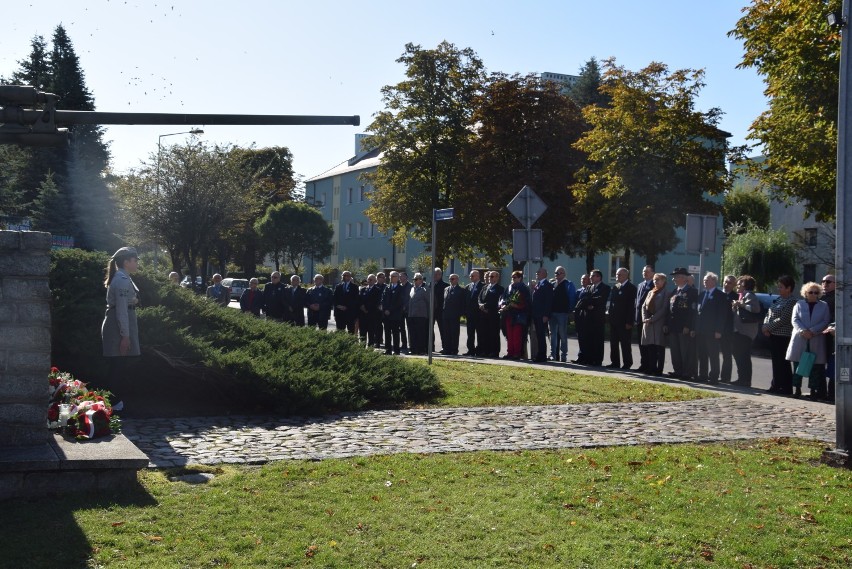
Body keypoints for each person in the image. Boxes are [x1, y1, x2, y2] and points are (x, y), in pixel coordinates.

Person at [101, 247, 140, 412]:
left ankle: (114, 402)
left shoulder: (123, 277)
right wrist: (125, 336)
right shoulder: (122, 279)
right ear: (126, 262)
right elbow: (122, 310)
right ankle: (114, 404)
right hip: (119, 327)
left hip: (120, 324)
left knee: (119, 365)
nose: (137, 263)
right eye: (135, 260)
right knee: (118, 366)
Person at [787, 281, 831, 399]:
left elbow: (825, 321)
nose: (813, 294)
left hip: (815, 337)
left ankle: (813, 391)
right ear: (805, 293)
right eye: (810, 292)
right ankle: (797, 390)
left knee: (815, 367)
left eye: (816, 292)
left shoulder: (824, 305)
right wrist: (803, 331)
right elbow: (794, 319)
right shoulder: (799, 304)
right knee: (797, 365)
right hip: (800, 338)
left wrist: (812, 331)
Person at [763, 275, 797, 395]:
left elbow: (784, 319)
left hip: (783, 336)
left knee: (783, 363)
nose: (779, 288)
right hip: (773, 335)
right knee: (775, 362)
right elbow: (769, 314)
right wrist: (765, 325)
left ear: (789, 288)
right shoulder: (778, 299)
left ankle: (786, 387)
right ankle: (776, 385)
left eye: (781, 287)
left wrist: (769, 327)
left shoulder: (792, 301)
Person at [695, 272, 728, 384]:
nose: (704, 281)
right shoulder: (702, 294)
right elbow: (698, 313)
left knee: (713, 355)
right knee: (702, 354)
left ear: (714, 281)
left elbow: (722, 315)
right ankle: (702, 375)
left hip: (713, 331)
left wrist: (719, 330)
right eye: (704, 280)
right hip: (701, 330)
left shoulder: (720, 295)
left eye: (707, 280)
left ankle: (714, 377)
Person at [666, 268, 698, 380]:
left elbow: (692, 311)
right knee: (675, 351)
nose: (673, 278)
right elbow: (670, 309)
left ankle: (687, 372)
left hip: (684, 327)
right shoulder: (675, 291)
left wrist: (688, 326)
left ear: (683, 278)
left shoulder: (692, 292)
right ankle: (678, 371)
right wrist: (667, 324)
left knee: (685, 351)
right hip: (673, 326)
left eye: (676, 276)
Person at [730, 275, 761, 387]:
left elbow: (755, 309)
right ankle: (741, 378)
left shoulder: (749, 295)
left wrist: (740, 304)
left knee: (744, 356)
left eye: (739, 283)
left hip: (745, 332)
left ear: (745, 285)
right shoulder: (741, 295)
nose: (737, 285)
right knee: (738, 355)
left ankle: (746, 380)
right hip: (739, 330)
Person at [577, 269, 609, 366]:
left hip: (598, 318)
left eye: (593, 276)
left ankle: (598, 360)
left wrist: (589, 301)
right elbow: (582, 300)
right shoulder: (589, 287)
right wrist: (588, 304)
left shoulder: (605, 288)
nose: (590, 278)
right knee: (589, 339)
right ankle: (589, 359)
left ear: (599, 277)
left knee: (598, 340)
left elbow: (600, 300)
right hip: (588, 319)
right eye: (590, 276)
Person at [606, 267, 637, 370]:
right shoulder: (615, 287)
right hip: (614, 320)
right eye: (616, 274)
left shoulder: (631, 288)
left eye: (619, 275)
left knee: (625, 344)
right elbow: (612, 304)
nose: (617, 276)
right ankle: (615, 362)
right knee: (613, 343)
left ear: (626, 275)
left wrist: (629, 321)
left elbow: (631, 306)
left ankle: (627, 363)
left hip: (624, 322)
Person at [641, 273, 669, 376]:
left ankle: (659, 369)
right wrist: (645, 318)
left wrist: (652, 319)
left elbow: (664, 309)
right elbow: (643, 306)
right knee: (650, 346)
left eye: (658, 280)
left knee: (659, 347)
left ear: (663, 281)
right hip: (648, 323)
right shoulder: (650, 292)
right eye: (654, 280)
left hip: (658, 323)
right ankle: (651, 367)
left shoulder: (666, 293)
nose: (655, 282)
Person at [500, 270, 531, 360]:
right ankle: (510, 352)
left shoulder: (524, 288)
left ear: (520, 278)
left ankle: (517, 353)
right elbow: (503, 298)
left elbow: (526, 302)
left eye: (515, 277)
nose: (513, 279)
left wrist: (517, 305)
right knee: (509, 335)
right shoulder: (509, 287)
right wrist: (503, 305)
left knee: (517, 335)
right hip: (509, 314)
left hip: (519, 315)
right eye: (512, 277)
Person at [549, 265, 576, 363]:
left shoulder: (568, 284)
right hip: (552, 313)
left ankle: (563, 355)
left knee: (563, 335)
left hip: (562, 313)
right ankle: (553, 355)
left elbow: (572, 298)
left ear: (564, 274)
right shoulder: (552, 284)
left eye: (558, 273)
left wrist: (569, 311)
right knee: (553, 335)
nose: (556, 274)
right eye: (555, 273)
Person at [478, 271, 505, 358]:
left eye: (492, 276)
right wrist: (481, 305)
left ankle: (494, 351)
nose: (490, 278)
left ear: (497, 278)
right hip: (483, 314)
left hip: (493, 314)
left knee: (493, 333)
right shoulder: (485, 287)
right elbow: (479, 297)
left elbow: (497, 301)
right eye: (489, 276)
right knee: (484, 333)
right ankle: (485, 350)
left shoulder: (500, 289)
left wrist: (486, 306)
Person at [634, 265, 655, 373]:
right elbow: (637, 302)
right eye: (643, 271)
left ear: (652, 273)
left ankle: (650, 366)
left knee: (649, 344)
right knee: (641, 344)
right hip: (639, 318)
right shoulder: (640, 285)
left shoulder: (654, 285)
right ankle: (643, 364)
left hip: (648, 318)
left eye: (647, 271)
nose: (644, 273)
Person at [531, 266, 553, 363]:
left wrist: (546, 315)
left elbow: (548, 301)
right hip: (536, 314)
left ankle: (542, 355)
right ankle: (540, 354)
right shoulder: (539, 284)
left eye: (538, 272)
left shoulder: (547, 285)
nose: (537, 273)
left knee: (541, 335)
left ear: (544, 274)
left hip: (542, 315)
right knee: (538, 335)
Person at [381, 271, 406, 355]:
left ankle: (396, 350)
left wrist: (390, 310)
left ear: (398, 278)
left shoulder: (401, 288)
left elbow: (399, 302)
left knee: (395, 333)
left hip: (395, 315)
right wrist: (385, 310)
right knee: (387, 333)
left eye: (394, 276)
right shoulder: (387, 288)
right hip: (386, 315)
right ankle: (388, 350)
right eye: (391, 276)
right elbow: (383, 300)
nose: (392, 278)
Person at [719, 275, 738, 382]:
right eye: (725, 282)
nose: (726, 284)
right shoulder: (718, 294)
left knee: (726, 354)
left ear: (734, 285)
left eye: (730, 283)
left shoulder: (736, 297)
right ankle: (713, 374)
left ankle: (725, 377)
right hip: (716, 328)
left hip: (728, 330)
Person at [821, 274, 837, 402]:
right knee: (820, 365)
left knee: (833, 367)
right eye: (823, 281)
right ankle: (822, 392)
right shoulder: (822, 297)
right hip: (821, 336)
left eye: (828, 282)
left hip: (832, 337)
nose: (825, 284)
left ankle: (832, 394)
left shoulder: (837, 298)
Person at [441, 274, 466, 355]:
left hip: (455, 315)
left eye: (452, 279)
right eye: (449, 279)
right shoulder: (446, 289)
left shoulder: (461, 290)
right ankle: (447, 349)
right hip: (446, 314)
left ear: (457, 280)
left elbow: (462, 303)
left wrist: (460, 313)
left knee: (454, 333)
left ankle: (454, 349)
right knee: (446, 332)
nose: (450, 280)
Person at [573, 273, 592, 364]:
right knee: (580, 338)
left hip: (587, 319)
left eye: (585, 279)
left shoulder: (590, 291)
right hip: (579, 318)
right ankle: (580, 356)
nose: (583, 281)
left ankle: (587, 357)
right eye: (581, 279)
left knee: (586, 339)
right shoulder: (578, 291)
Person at [408, 273, 430, 355]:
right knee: (412, 333)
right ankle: (413, 349)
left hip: (421, 315)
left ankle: (421, 350)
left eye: (416, 279)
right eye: (414, 279)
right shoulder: (412, 289)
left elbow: (429, 302)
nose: (414, 281)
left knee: (420, 333)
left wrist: (428, 315)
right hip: (412, 315)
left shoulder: (425, 289)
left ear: (421, 280)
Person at [464, 270, 484, 356]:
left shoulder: (483, 286)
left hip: (479, 314)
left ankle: (479, 350)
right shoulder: (468, 286)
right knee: (470, 333)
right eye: (470, 276)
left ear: (478, 276)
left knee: (480, 333)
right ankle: (471, 350)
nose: (471, 277)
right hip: (470, 314)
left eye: (473, 276)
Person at [432, 268, 449, 350]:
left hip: (440, 311)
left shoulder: (445, 285)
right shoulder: (431, 284)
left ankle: (445, 347)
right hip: (432, 311)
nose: (435, 276)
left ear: (441, 275)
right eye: (434, 274)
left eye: (437, 274)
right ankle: (431, 346)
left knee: (443, 330)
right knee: (430, 329)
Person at [398, 272, 413, 353]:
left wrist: (405, 306)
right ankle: (404, 344)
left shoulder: (410, 286)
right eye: (400, 277)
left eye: (402, 276)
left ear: (406, 277)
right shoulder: (399, 286)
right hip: (400, 311)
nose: (401, 278)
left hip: (408, 310)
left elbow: (410, 297)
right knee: (401, 328)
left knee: (409, 328)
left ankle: (411, 345)